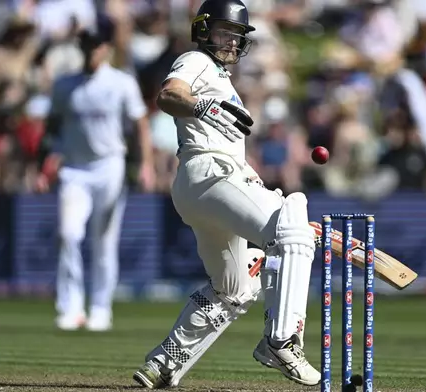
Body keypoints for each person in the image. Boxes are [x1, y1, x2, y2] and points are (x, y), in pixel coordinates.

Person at [132, 0, 320, 389]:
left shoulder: (221, 76)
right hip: (209, 173)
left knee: (234, 289)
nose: (232, 43)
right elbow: (168, 96)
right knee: (292, 223)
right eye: (224, 33)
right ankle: (282, 340)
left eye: (237, 37)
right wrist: (200, 106)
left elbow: (227, 148)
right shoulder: (196, 61)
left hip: (201, 184)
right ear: (202, 31)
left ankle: (165, 362)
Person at [35, 15, 155, 332]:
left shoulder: (121, 83)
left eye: (96, 45)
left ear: (105, 48)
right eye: (86, 45)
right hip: (74, 169)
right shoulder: (65, 85)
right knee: (69, 234)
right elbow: (52, 127)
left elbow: (140, 124)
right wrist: (42, 165)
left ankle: (101, 308)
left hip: (110, 166)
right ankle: (71, 307)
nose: (91, 51)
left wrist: (145, 165)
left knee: (104, 240)